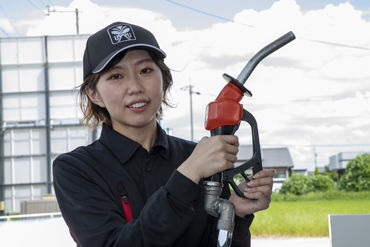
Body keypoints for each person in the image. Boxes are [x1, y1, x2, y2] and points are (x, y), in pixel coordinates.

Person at [53, 21, 275, 247]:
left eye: (145, 70)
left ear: (165, 79)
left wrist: (235, 215)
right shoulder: (76, 169)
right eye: (116, 76)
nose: (135, 87)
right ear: (94, 94)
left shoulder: (196, 156)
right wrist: (189, 173)